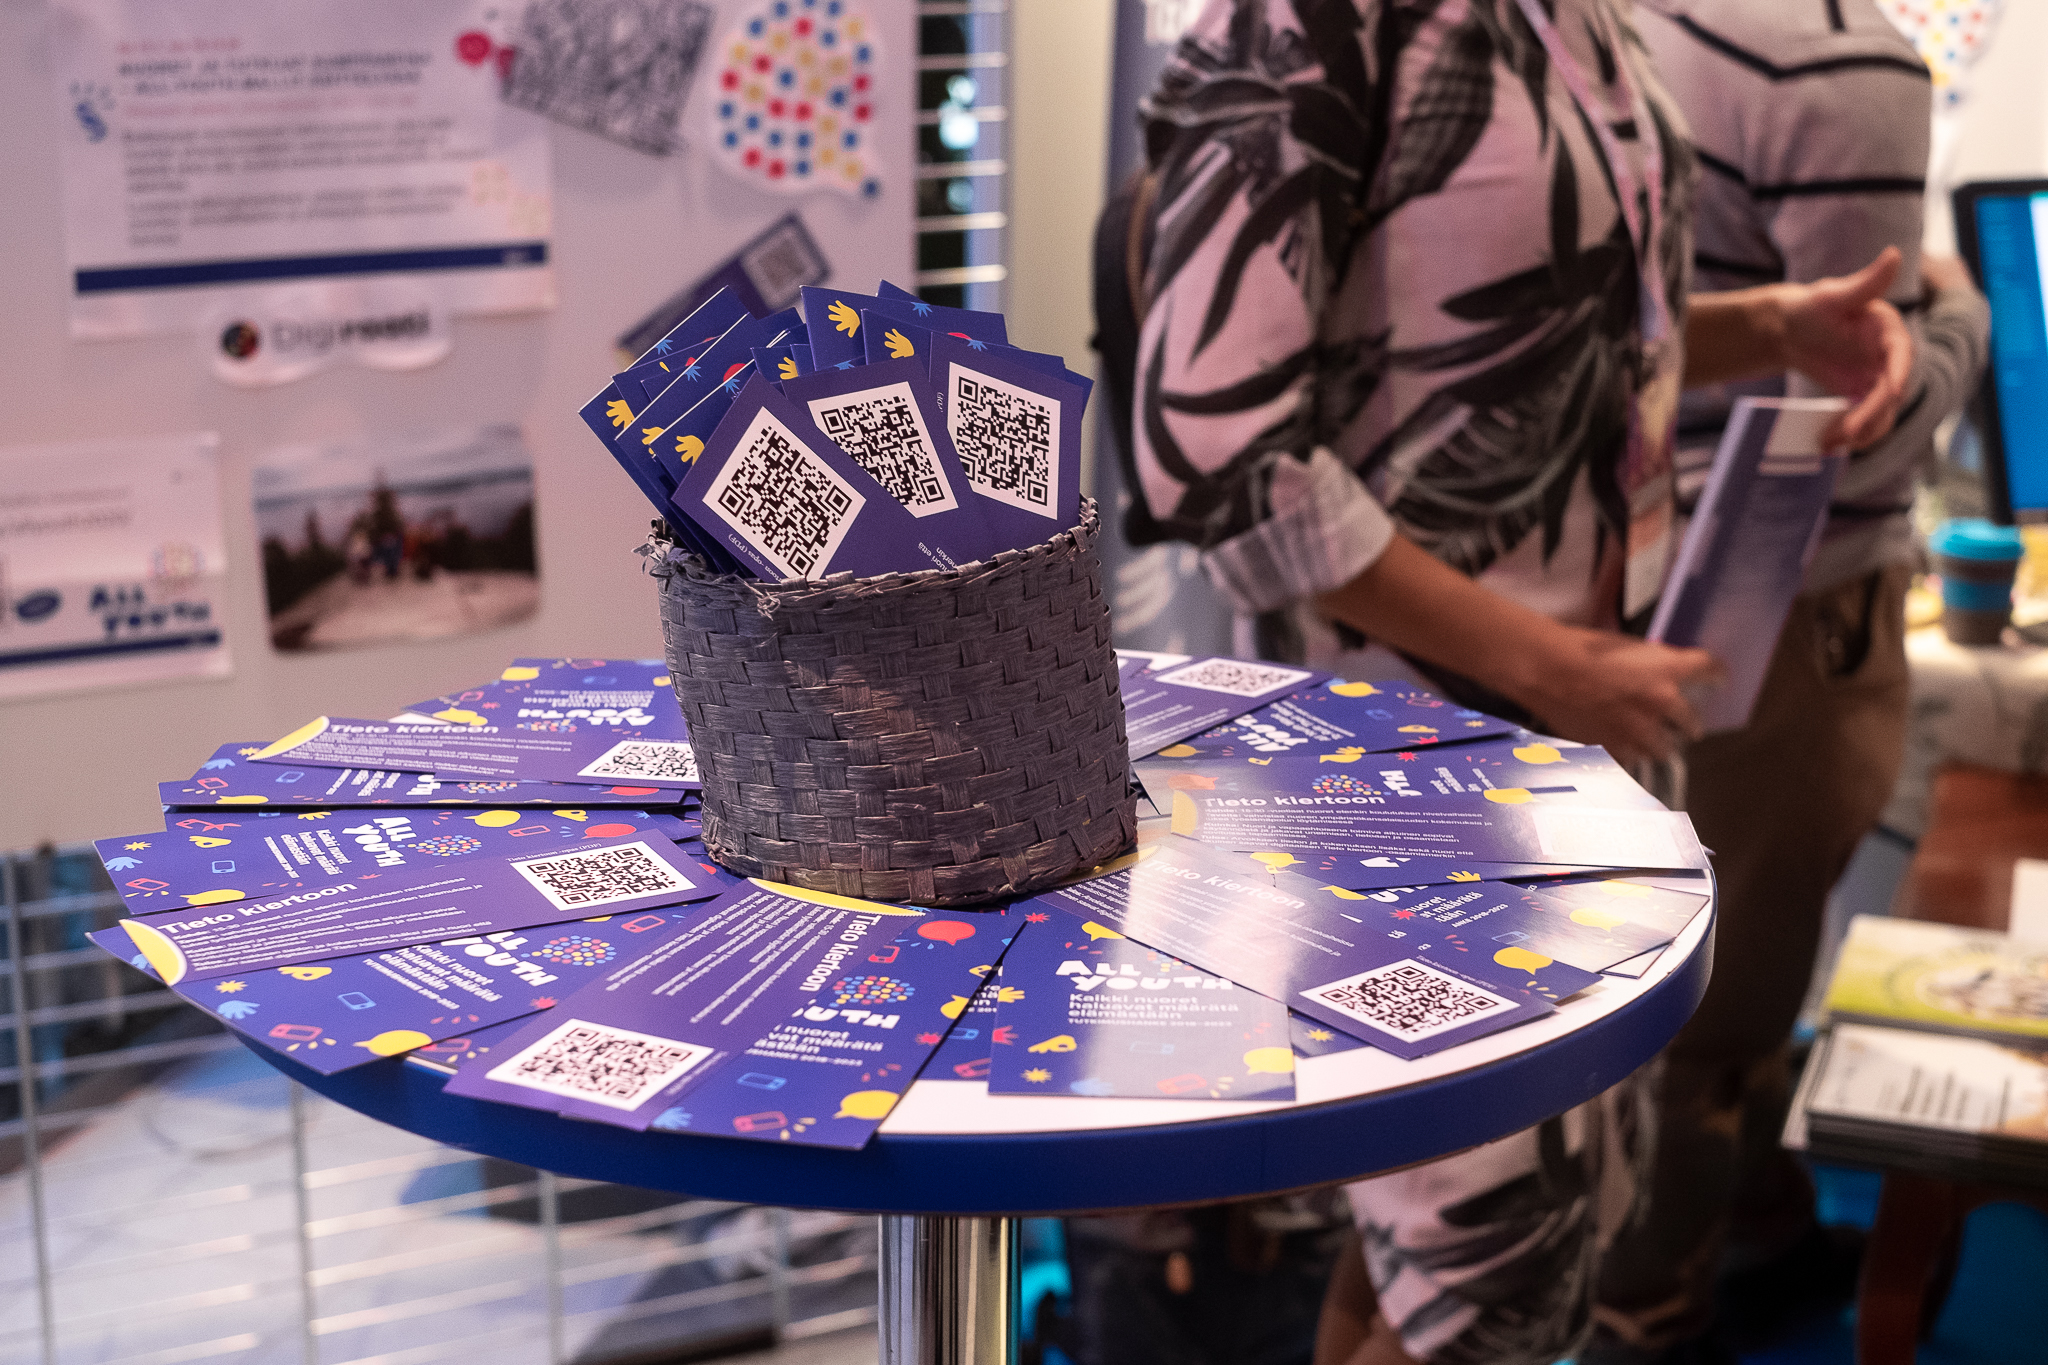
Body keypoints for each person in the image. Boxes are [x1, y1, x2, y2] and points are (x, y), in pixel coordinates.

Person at [1112, 1, 1913, 1361]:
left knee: (1476, 1251)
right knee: (1492, 1278)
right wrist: (1548, 666)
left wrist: (1772, 326)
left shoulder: (1591, 21)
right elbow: (1218, 460)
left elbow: (1555, 340)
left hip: (1577, 756)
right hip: (1407, 774)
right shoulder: (1313, 22)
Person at [1585, 4, 1992, 1360]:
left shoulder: (1620, 25)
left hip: (1638, 574)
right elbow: (1860, 414)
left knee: (1685, 966)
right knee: (1719, 1006)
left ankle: (1750, 1227)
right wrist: (1965, 313)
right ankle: (1652, 1311)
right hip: (1780, 599)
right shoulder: (1841, 58)